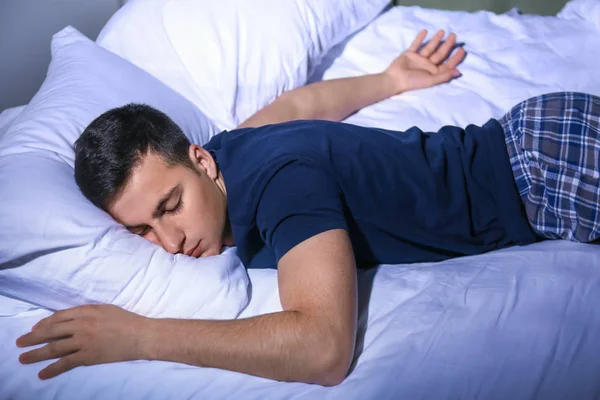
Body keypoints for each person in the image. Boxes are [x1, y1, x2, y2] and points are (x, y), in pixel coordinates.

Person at [16, 29, 600, 385]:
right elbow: (299, 103)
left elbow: (322, 348)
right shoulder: (227, 151)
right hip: (538, 135)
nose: (170, 241)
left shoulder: (279, 187)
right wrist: (388, 79)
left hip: (545, 174)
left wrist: (142, 338)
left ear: (200, 162)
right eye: (142, 228)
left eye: (170, 207)